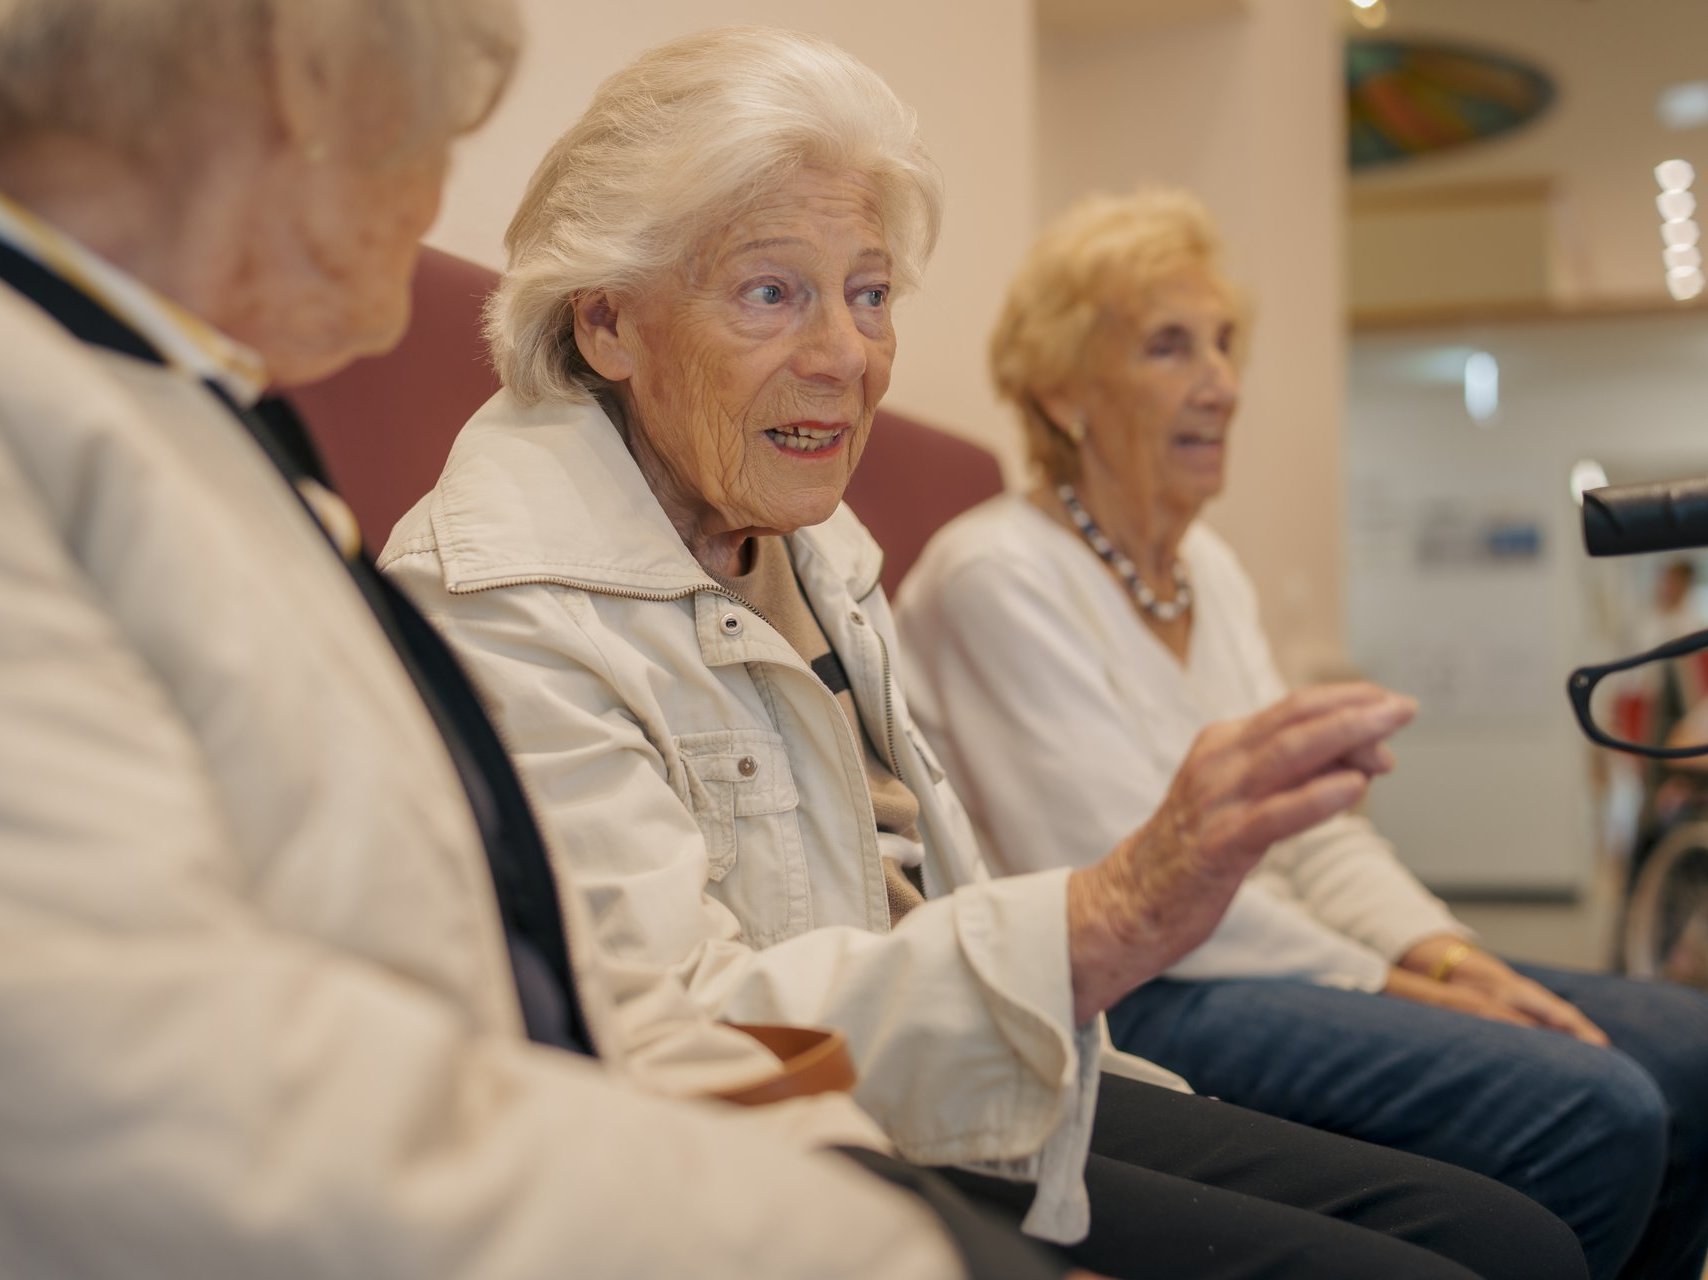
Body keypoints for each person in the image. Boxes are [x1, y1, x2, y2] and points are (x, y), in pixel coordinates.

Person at [382, 28, 1588, 1280]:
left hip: (956, 1071)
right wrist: (1108, 911)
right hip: (794, 1144)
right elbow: (683, 1036)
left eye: (868, 292)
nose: (847, 355)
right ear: (609, 323)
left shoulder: (819, 545)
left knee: (1517, 1239)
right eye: (770, 291)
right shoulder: (492, 596)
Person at [0, 3, 1113, 1276]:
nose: (433, 197)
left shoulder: (194, 409)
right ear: (298, 91)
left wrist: (844, 1175)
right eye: (433, 130)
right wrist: (886, 1246)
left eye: (867, 296)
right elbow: (171, 1102)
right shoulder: (60, 429)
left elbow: (584, 991)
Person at [894, 187, 1708, 1280]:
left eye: (1225, 343)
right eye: (1169, 346)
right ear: (1063, 388)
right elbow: (1146, 898)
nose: (1221, 383)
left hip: (1253, 962)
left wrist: (1445, 952)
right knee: (1599, 1108)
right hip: (1136, 996)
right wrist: (1402, 988)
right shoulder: (996, 574)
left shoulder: (1207, 571)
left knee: (1692, 1051)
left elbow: (1316, 833)